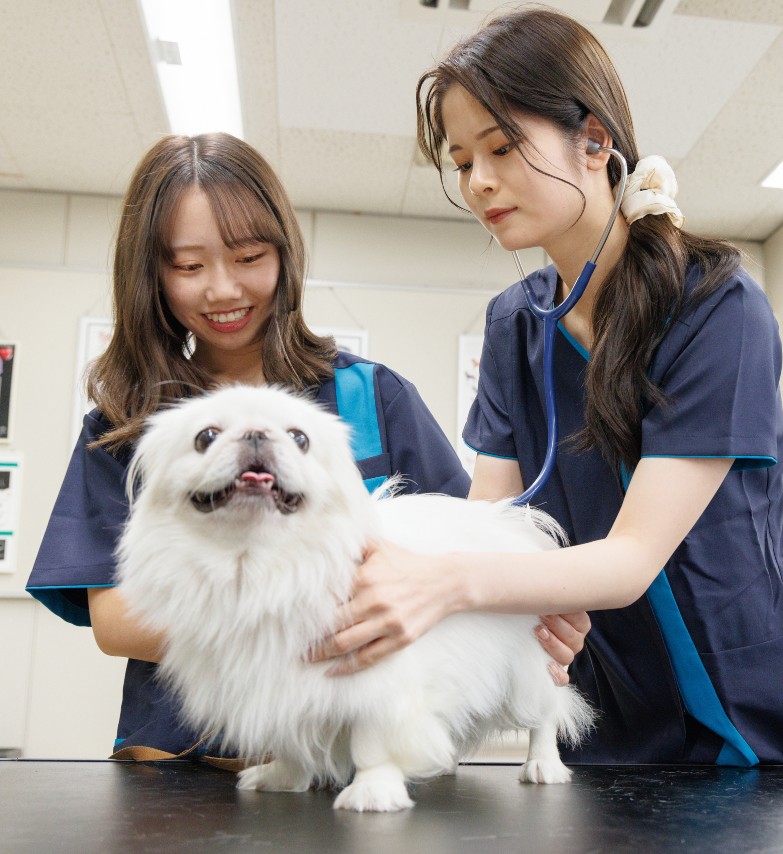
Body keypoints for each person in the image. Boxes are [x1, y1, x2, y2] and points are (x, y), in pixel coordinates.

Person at [312, 7, 783, 765]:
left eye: (502, 146)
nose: (479, 182)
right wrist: (509, 594)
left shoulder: (717, 307)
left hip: (753, 720)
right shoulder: (516, 325)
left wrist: (447, 583)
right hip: (608, 722)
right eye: (463, 160)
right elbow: (488, 525)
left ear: (595, 142)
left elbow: (631, 561)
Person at [25, 132, 485, 762]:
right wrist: (317, 618)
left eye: (247, 256)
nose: (222, 290)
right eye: (188, 267)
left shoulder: (371, 398)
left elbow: (461, 565)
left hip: (349, 756)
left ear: (284, 254)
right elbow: (117, 620)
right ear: (151, 274)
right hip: (177, 763)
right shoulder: (129, 422)